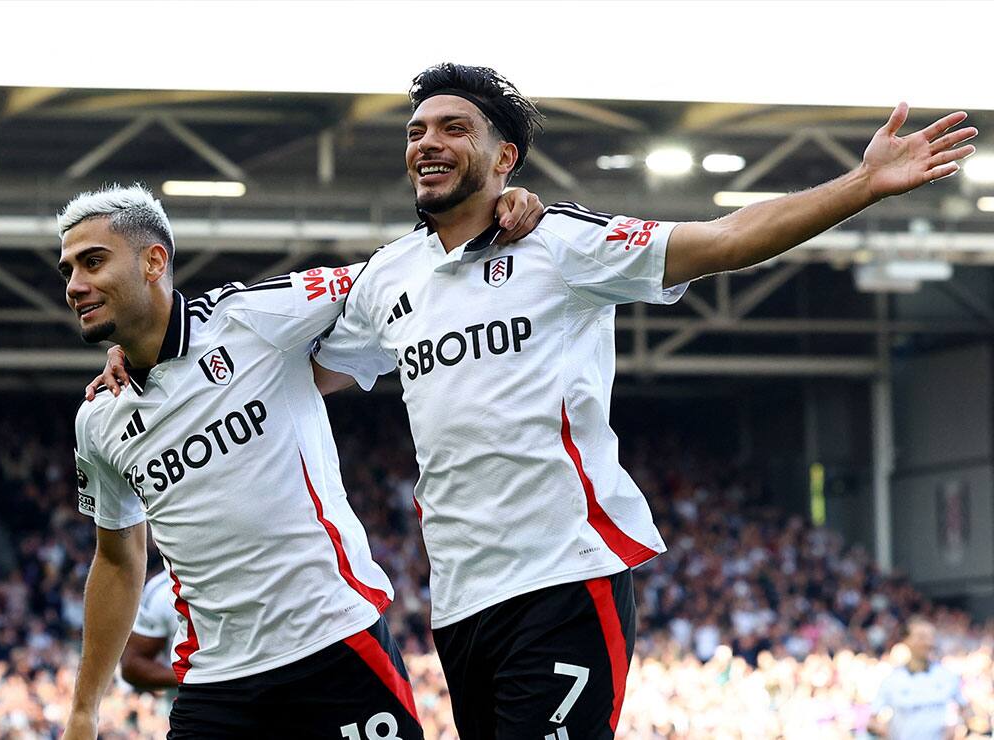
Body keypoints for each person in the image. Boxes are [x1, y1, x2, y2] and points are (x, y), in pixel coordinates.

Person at [304, 63, 978, 739]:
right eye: (417, 130)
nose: (428, 142)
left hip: (564, 577)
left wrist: (863, 184)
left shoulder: (561, 245)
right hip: (459, 600)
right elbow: (309, 377)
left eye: (455, 128)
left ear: (505, 156)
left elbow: (726, 239)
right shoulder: (388, 277)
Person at [58, 183, 543, 739]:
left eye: (93, 262)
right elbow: (118, 562)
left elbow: (392, 273)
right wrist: (83, 710)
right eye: (68, 270)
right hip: (217, 684)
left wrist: (490, 212)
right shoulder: (97, 421)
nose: (75, 285)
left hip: (334, 649)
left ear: (154, 261)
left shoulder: (254, 319)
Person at [867, 616, 973, 739]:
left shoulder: (946, 675)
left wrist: (958, 726)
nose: (927, 642)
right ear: (906, 640)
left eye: (931, 637)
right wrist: (883, 730)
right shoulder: (892, 680)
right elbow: (872, 720)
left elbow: (966, 710)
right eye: (921, 637)